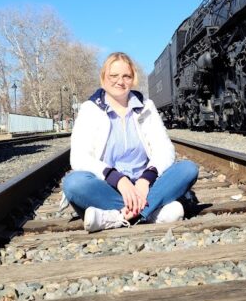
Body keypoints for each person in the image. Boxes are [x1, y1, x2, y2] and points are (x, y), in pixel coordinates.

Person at [63, 52, 199, 232]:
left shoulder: (146, 107)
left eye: (126, 76)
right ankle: (151, 213)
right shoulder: (90, 109)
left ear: (133, 79)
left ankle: (116, 217)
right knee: (73, 184)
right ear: (103, 78)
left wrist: (145, 179)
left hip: (147, 188)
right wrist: (118, 180)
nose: (120, 81)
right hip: (109, 187)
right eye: (114, 75)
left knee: (188, 169)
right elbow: (79, 158)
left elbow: (164, 149)